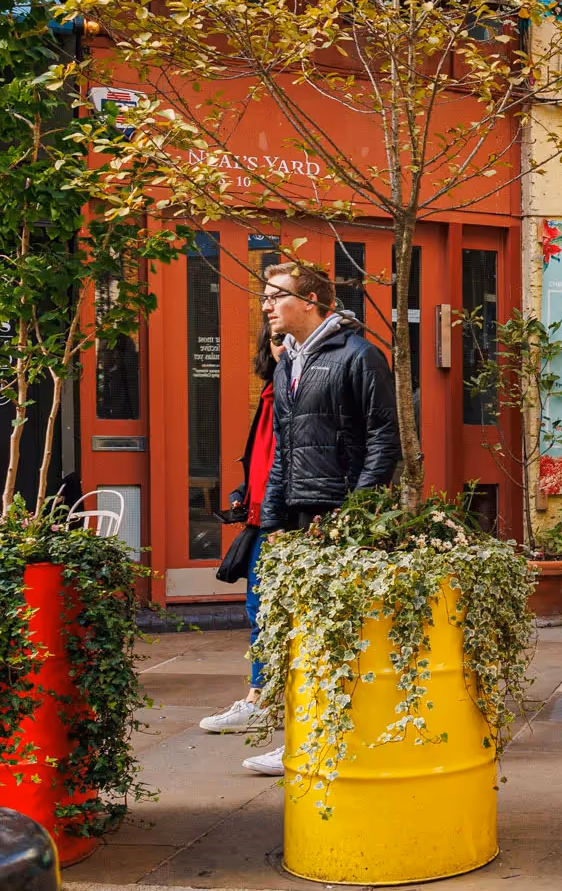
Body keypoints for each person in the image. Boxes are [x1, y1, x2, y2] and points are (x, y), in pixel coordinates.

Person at [242, 258, 401, 776]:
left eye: (276, 295)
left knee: (340, 638)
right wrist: (271, 519)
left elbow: (384, 438)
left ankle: (330, 741)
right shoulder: (289, 361)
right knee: (297, 632)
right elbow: (286, 447)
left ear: (309, 302)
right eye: (265, 297)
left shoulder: (360, 355)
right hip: (298, 516)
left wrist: (357, 513)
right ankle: (302, 737)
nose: (266, 306)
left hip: (342, 515)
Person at [200, 332, 282, 737]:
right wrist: (246, 495)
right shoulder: (271, 391)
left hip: (281, 519)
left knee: (264, 609)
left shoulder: (297, 388)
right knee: (259, 608)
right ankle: (261, 696)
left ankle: (262, 700)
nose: (281, 346)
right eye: (275, 340)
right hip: (262, 514)